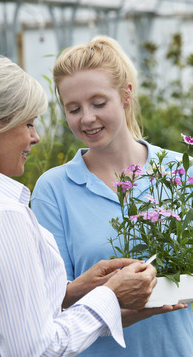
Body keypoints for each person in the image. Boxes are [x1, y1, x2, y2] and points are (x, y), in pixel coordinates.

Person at [0, 53, 167, 357]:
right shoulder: (0, 215)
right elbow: (36, 349)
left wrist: (71, 291)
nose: (36, 136)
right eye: (28, 123)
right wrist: (109, 296)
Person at [31, 36, 193, 357]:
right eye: (73, 108)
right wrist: (114, 309)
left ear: (126, 95)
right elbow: (47, 301)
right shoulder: (53, 189)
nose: (87, 118)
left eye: (99, 103)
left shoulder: (179, 171)